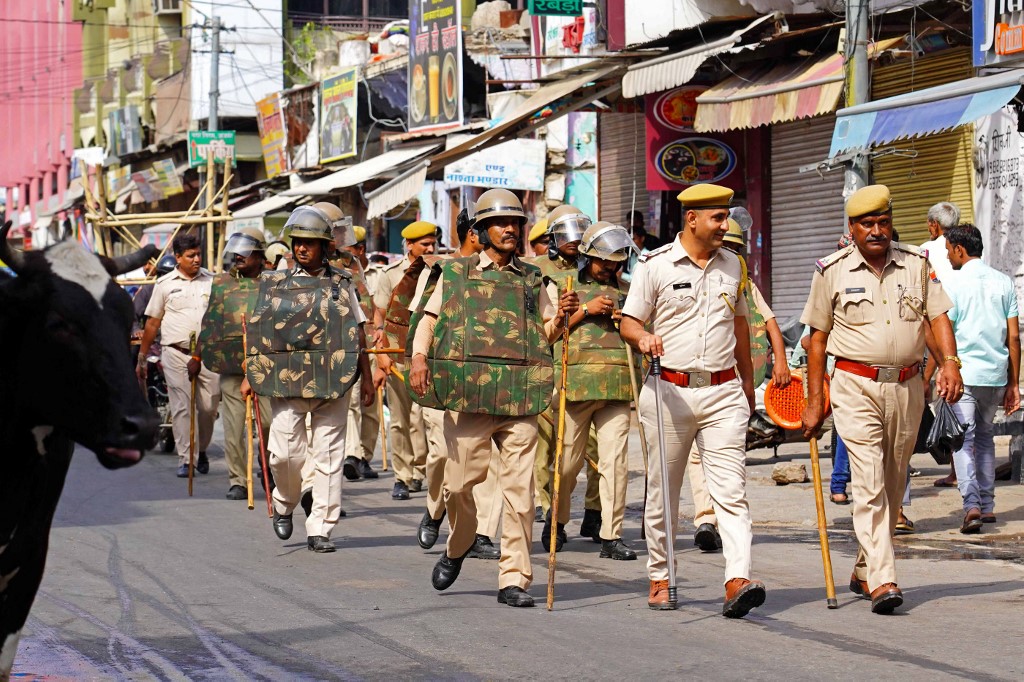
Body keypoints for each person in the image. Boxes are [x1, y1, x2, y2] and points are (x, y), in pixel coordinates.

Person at [410, 188, 579, 607]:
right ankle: (458, 546)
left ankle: (514, 579)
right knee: (459, 486)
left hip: (520, 397)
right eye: (500, 224)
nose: (510, 229)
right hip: (469, 396)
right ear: (481, 231)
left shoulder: (533, 278)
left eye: (515, 223)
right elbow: (429, 321)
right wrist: (418, 358)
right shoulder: (455, 272)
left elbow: (547, 333)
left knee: (520, 494)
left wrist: (562, 316)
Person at [800, 184, 963, 615]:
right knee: (869, 480)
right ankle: (884, 578)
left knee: (893, 483)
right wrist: (816, 400)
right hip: (854, 386)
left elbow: (937, 316)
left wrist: (950, 363)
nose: (877, 230)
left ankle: (864, 566)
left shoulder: (916, 263)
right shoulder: (830, 270)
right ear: (851, 228)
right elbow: (816, 341)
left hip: (908, 387)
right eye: (867, 224)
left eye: (883, 222)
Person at [620, 183, 765, 619]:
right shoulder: (655, 265)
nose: (727, 225)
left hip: (723, 392)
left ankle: (737, 577)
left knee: (731, 493)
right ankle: (661, 575)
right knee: (663, 493)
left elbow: (740, 328)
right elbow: (629, 320)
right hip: (668, 392)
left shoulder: (733, 266)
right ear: (692, 219)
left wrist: (747, 385)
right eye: (718, 218)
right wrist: (643, 336)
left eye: (727, 217)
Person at [242, 202, 376, 553]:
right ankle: (285, 500)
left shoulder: (342, 282)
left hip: (335, 380)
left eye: (310, 241)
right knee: (284, 455)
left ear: (325, 246)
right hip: (286, 382)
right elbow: (257, 332)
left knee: (329, 456)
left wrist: (367, 379)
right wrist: (251, 370)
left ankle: (321, 528)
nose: (302, 247)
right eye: (298, 240)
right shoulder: (272, 284)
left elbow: (357, 332)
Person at [412, 208, 503, 560]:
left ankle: (481, 531)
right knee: (441, 456)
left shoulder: (511, 273)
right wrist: (418, 363)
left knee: (491, 459)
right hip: (446, 378)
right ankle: (435, 510)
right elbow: (422, 322)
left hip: (492, 378)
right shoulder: (442, 271)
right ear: (474, 235)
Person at [547, 221, 639, 561]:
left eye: (616, 262)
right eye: (604, 262)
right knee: (567, 465)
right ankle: (556, 521)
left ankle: (611, 536)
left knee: (616, 463)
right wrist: (584, 311)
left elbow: (643, 334)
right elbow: (551, 334)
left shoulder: (630, 292)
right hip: (575, 387)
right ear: (587, 257)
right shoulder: (564, 287)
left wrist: (625, 320)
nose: (610, 268)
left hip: (617, 387)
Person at [526, 204, 603, 540]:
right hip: (548, 362)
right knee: (546, 446)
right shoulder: (533, 270)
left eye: (580, 230)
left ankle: (595, 511)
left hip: (588, 366)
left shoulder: (597, 267)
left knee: (596, 447)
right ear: (552, 236)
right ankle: (549, 511)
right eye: (567, 232)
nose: (574, 239)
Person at [942, 224, 1020, 533]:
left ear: (960, 250)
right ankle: (987, 507)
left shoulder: (954, 284)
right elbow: (1013, 338)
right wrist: (1013, 383)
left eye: (949, 251)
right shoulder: (1004, 283)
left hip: (963, 373)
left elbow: (944, 330)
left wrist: (941, 368)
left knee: (963, 442)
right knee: (986, 439)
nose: (947, 256)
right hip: (995, 374)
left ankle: (971, 504)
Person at [196, 227, 272, 500]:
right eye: (236, 250)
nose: (238, 256)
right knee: (234, 427)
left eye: (246, 251)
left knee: (269, 424)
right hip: (232, 367)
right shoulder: (222, 283)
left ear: (260, 255)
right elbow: (209, 322)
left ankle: (269, 469)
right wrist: (197, 355)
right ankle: (238, 480)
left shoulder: (274, 283)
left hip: (267, 369)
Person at [137, 232, 220, 479]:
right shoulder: (164, 285)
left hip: (208, 354)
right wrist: (142, 357)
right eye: (190, 255)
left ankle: (201, 449)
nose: (196, 260)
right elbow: (152, 323)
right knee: (182, 408)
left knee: (209, 406)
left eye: (198, 255)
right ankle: (187, 459)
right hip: (175, 353)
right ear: (178, 257)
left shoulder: (213, 281)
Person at [374, 221, 437, 500]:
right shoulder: (389, 275)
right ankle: (402, 475)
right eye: (424, 244)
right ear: (409, 245)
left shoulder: (439, 270)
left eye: (433, 242)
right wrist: (382, 356)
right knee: (399, 419)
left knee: (421, 418)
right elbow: (380, 316)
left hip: (427, 356)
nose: (431, 248)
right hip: (398, 355)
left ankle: (420, 470)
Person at [336, 225, 382, 482]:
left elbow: (367, 304)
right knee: (352, 401)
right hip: (343, 343)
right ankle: (353, 455)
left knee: (370, 405)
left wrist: (380, 331)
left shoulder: (353, 266)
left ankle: (364, 455)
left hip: (368, 340)